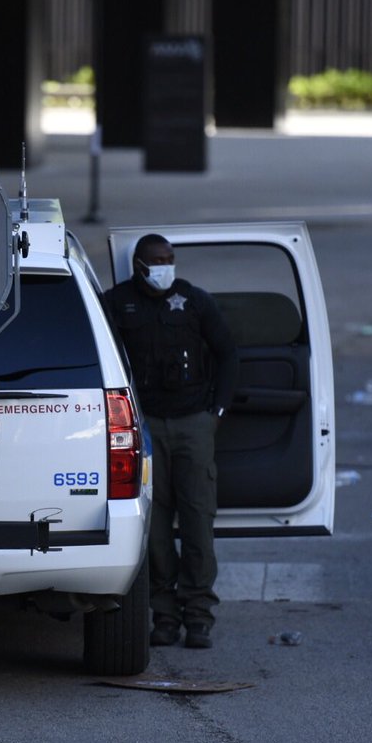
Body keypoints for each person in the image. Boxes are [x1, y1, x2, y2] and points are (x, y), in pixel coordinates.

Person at [105, 233, 238, 648]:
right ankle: (164, 615)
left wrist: (217, 412)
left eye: (169, 258)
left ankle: (199, 614)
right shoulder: (117, 303)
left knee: (198, 518)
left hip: (193, 423)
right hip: (144, 428)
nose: (164, 266)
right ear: (139, 265)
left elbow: (228, 353)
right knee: (156, 526)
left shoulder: (194, 301)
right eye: (156, 260)